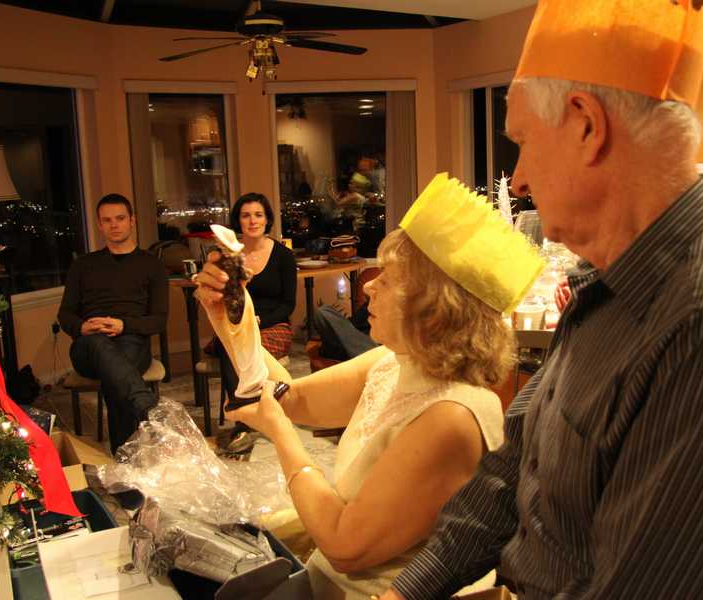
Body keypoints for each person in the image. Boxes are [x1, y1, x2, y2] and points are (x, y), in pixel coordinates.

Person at [380, 2, 703, 599]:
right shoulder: (610, 287)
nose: (518, 178)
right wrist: (405, 592)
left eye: (523, 142)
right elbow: (511, 475)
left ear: (587, 125)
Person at [194, 174, 544, 599]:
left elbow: (345, 546)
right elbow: (293, 398)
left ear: (434, 307)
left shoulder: (453, 414)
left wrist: (280, 433)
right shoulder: (394, 363)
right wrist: (230, 314)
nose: (370, 286)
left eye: (389, 279)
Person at [58, 193, 168, 454]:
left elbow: (158, 320)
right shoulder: (83, 265)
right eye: (107, 220)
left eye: (120, 218)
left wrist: (123, 325)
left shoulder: (151, 264)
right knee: (100, 345)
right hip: (88, 346)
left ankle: (125, 459)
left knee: (116, 374)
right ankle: (144, 403)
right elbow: (65, 314)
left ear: (132, 220)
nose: (114, 225)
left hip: (132, 341)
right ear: (99, 224)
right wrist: (82, 327)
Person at [210, 192, 296, 450]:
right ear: (238, 220)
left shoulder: (283, 255)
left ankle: (249, 417)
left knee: (245, 350)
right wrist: (241, 321)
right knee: (232, 346)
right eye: (246, 215)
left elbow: (288, 305)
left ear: (267, 219)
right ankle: (246, 419)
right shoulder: (229, 256)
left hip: (274, 326)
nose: (252, 220)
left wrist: (260, 321)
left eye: (258, 215)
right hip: (238, 326)